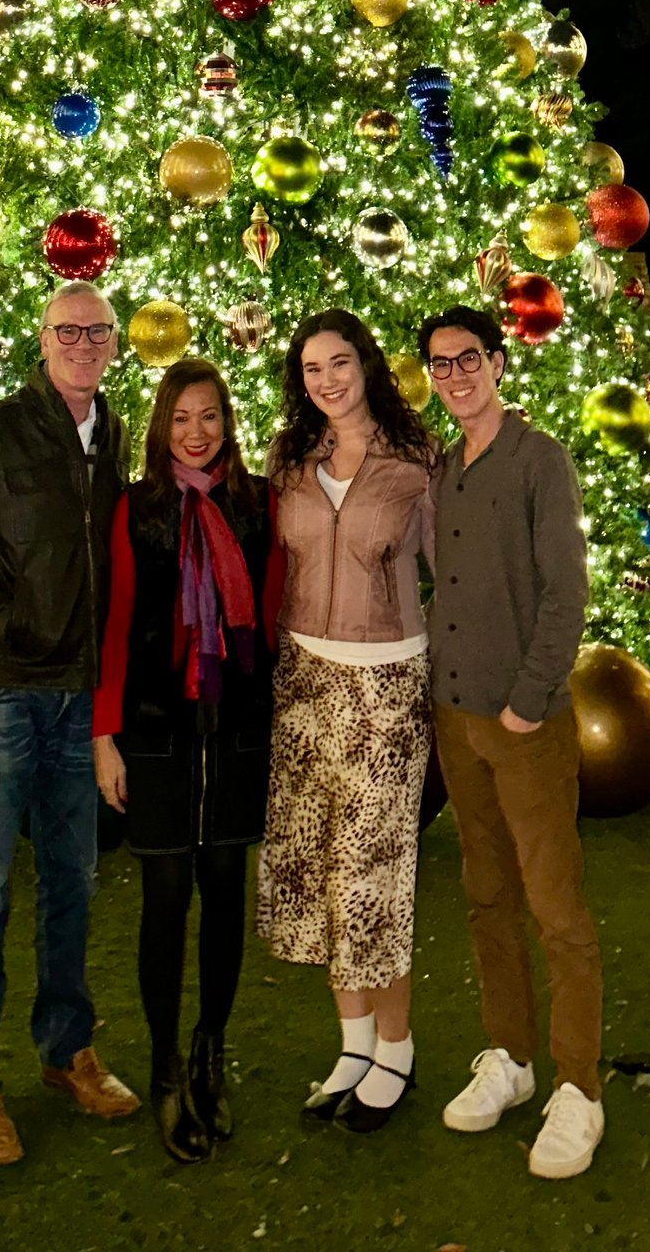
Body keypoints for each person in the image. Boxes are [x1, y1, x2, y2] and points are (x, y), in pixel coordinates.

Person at [0, 282, 141, 1167]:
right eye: (68, 330)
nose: (84, 343)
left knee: (73, 882)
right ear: (42, 341)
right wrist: (15, 626)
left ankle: (66, 1048)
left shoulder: (111, 433)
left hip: (78, 702)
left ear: (114, 343)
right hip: (0, 695)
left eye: (98, 331)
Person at [419, 304, 603, 1181]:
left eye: (468, 360)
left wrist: (530, 701)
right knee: (487, 896)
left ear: (497, 362)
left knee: (555, 909)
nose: (455, 376)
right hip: (456, 720)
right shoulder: (445, 469)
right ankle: (513, 1059)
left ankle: (580, 1088)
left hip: (523, 726)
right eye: (440, 364)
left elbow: (566, 593)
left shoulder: (540, 461)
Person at [92, 358, 284, 1161]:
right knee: (167, 895)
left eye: (210, 416)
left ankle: (212, 1049)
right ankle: (167, 1064)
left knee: (226, 889)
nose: (197, 432)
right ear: (161, 425)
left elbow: (271, 620)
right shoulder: (138, 509)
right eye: (182, 418)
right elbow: (115, 623)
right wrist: (104, 736)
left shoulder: (258, 503)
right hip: (158, 731)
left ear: (227, 421)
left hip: (237, 728)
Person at [257, 309, 435, 1135]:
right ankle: (353, 1044)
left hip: (385, 686)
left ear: (365, 364)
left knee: (374, 877)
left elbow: (455, 570)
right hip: (303, 683)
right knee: (323, 870)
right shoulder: (292, 460)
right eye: (310, 368)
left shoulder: (416, 462)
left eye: (338, 362)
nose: (325, 379)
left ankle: (396, 1050)